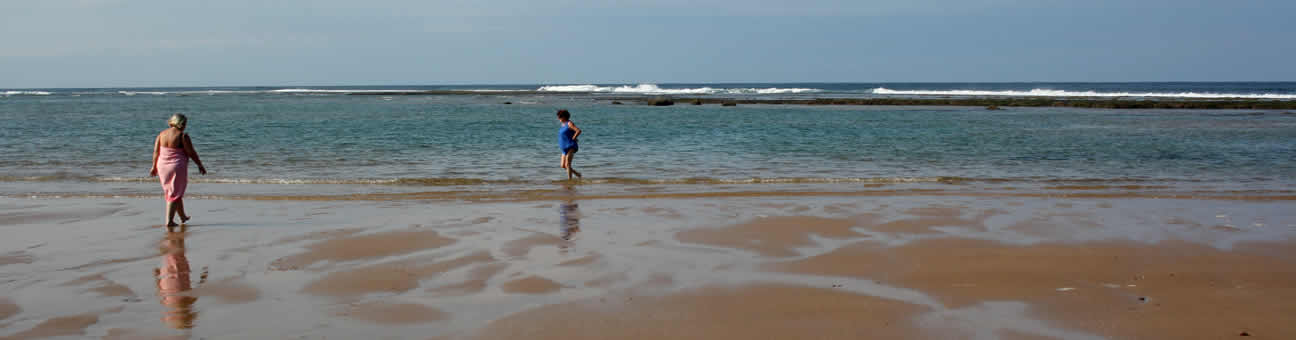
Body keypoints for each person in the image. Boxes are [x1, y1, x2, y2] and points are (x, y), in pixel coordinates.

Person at [149, 114, 207, 227]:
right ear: (181, 123)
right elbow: (191, 152)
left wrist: (153, 166)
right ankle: (169, 221)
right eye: (185, 123)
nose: (185, 125)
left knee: (173, 192)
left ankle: (182, 217)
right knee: (174, 193)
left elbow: (156, 152)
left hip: (162, 166)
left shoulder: (161, 134)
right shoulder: (183, 136)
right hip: (176, 166)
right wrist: (200, 165)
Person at [557, 109, 582, 179]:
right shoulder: (563, 124)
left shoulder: (569, 123)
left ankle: (570, 181)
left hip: (571, 146)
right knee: (563, 165)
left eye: (560, 116)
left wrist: (574, 138)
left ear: (564, 117)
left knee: (567, 164)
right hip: (564, 147)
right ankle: (577, 174)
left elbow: (578, 130)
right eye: (558, 116)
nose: (558, 118)